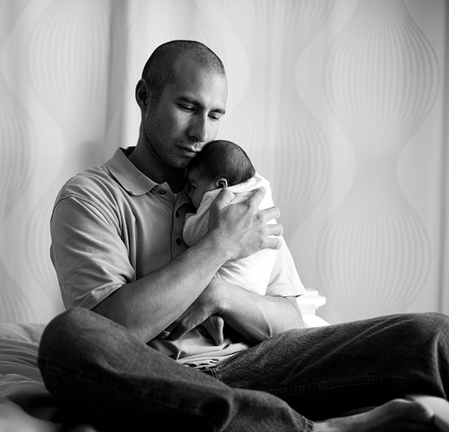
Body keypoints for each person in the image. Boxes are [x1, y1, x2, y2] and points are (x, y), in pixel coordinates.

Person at [40, 39, 448, 431]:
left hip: (263, 364)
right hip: (160, 377)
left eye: (215, 115)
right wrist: (220, 244)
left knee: (432, 332)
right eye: (187, 107)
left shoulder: (238, 191)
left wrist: (220, 296)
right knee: (67, 339)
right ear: (145, 96)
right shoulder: (89, 197)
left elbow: (292, 321)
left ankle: (249, 416)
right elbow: (109, 330)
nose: (202, 132)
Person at [183, 139, 277, 297]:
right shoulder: (258, 191)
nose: (189, 193)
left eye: (193, 186)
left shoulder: (218, 197)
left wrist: (189, 217)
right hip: (256, 290)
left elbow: (191, 235)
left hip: (229, 282)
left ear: (220, 185)